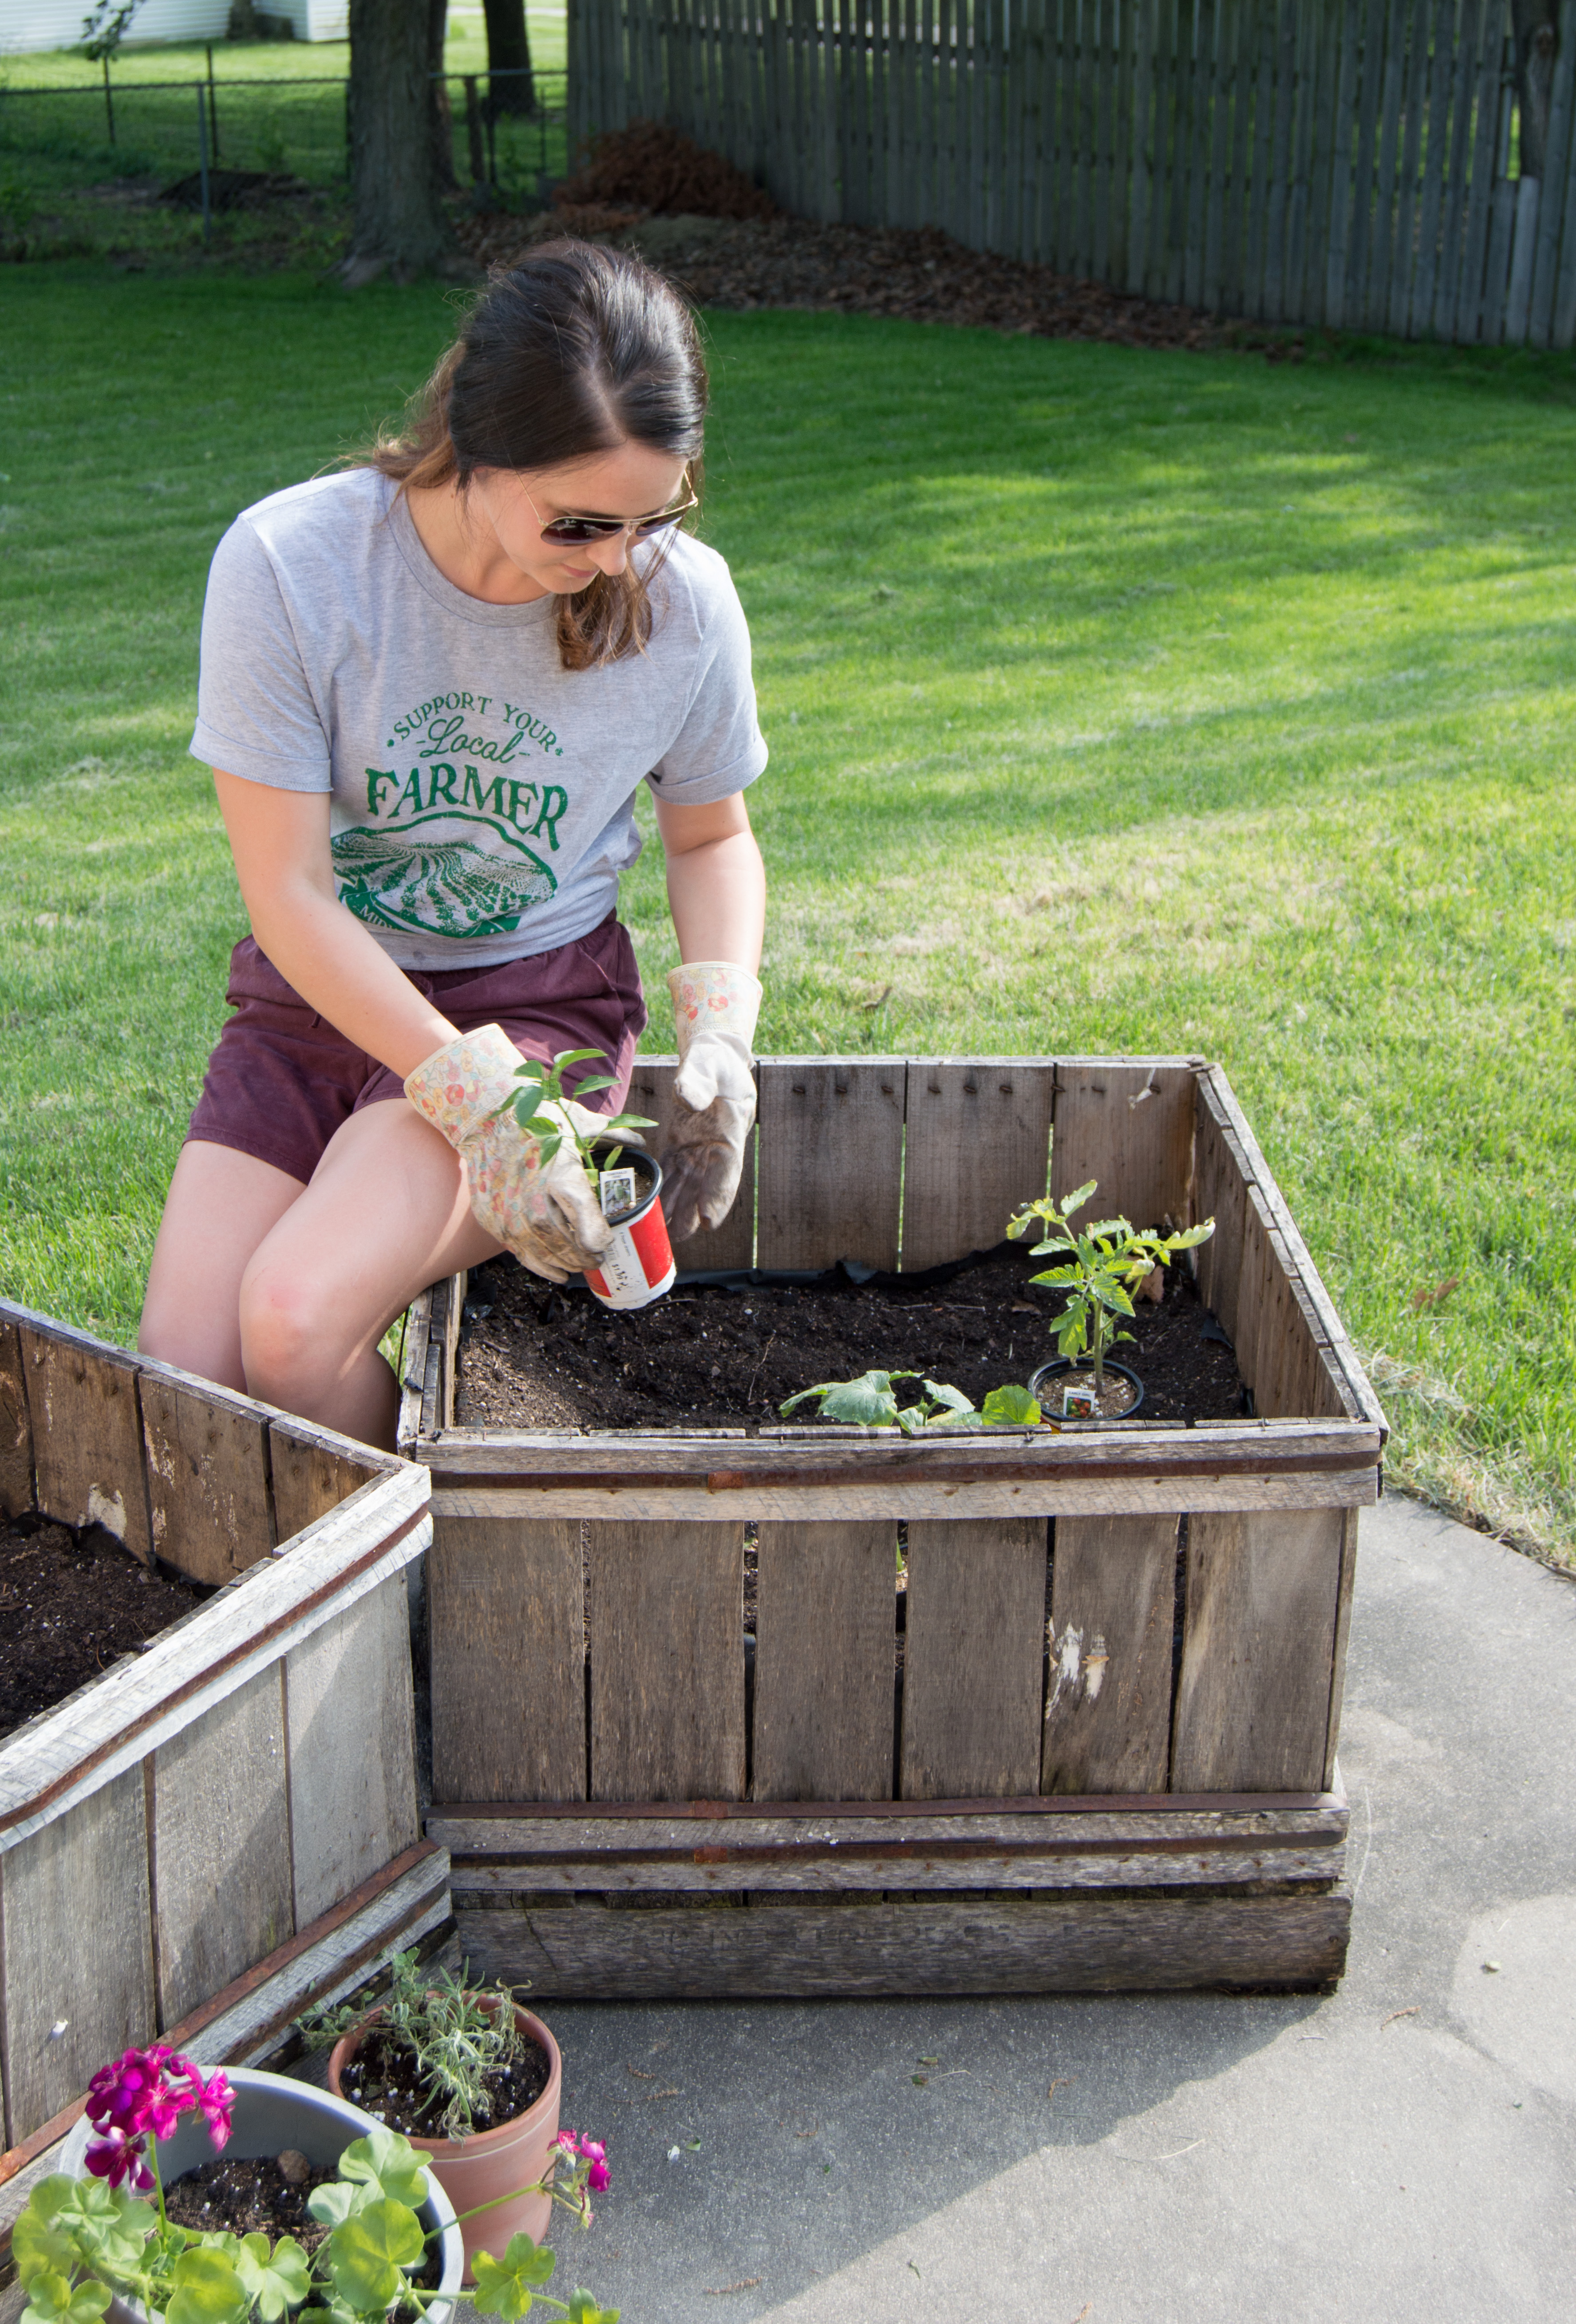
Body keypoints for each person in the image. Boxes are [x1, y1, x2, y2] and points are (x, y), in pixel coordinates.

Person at [138, 243, 766, 1450]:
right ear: (478, 450)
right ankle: (374, 1579)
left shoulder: (687, 602)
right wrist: (474, 1103)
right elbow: (288, 894)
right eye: (579, 521)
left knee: (291, 1321)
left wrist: (721, 1031)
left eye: (656, 515)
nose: (619, 560)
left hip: (537, 1001)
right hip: (320, 993)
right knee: (191, 1377)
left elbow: (712, 836)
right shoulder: (291, 567)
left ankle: (456, 1583)